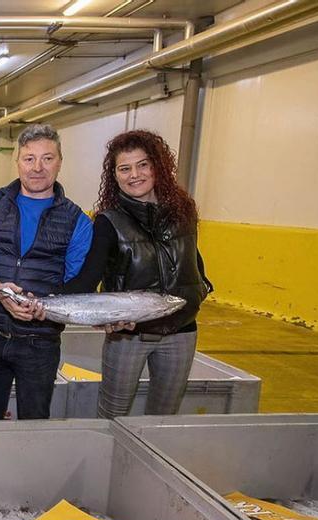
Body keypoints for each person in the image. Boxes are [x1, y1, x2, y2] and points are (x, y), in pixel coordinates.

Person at [63, 129, 212, 417]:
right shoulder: (109, 221)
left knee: (164, 417)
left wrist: (199, 291)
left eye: (143, 164)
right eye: (124, 168)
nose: (135, 175)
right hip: (128, 335)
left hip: (181, 331)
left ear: (158, 165)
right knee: (113, 414)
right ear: (114, 175)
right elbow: (87, 279)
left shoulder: (184, 211)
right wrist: (43, 299)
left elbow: (191, 260)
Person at [0, 123, 94, 420]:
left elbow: (75, 285)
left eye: (47, 158)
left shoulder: (78, 221)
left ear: (60, 162)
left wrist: (46, 308)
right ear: (18, 161)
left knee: (34, 424)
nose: (37, 167)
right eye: (29, 158)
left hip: (40, 344)